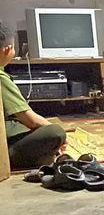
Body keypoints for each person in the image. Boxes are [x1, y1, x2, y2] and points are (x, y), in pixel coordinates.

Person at [0, 25, 67, 170]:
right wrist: (62, 139)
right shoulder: (1, 78)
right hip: (5, 148)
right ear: (8, 49)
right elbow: (31, 120)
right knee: (55, 132)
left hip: (8, 134)